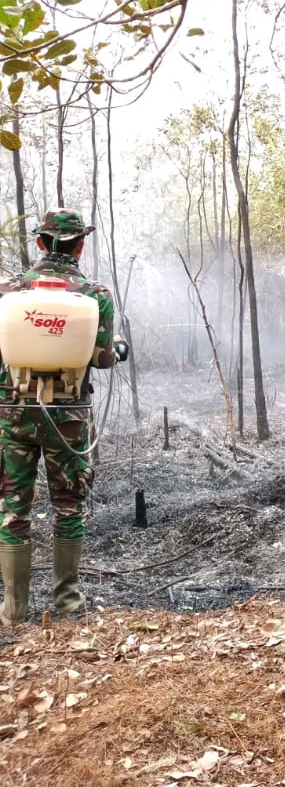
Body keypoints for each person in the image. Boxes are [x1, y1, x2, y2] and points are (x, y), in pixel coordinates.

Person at [0, 209, 119, 627]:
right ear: (80, 244)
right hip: (67, 418)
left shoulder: (7, 291)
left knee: (14, 506)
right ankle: (66, 604)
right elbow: (102, 358)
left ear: (40, 243)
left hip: (12, 413)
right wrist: (117, 347)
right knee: (68, 506)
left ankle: (13, 611)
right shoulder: (94, 295)